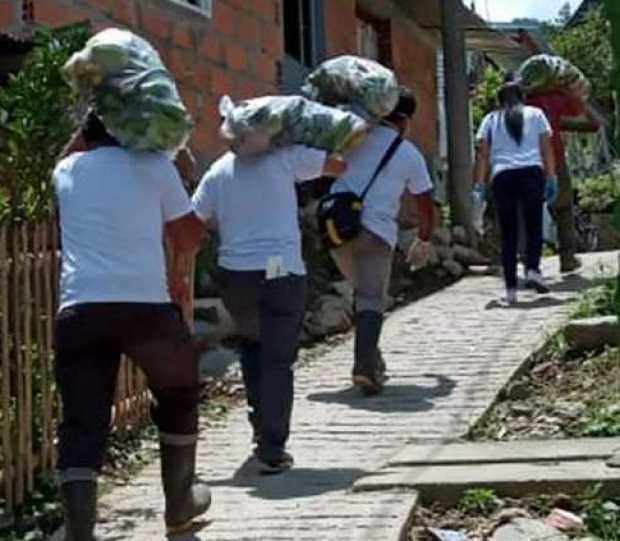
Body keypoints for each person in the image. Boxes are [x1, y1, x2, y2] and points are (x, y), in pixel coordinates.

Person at [53, 113, 209, 539]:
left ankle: (80, 531)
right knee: (178, 394)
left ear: (87, 133)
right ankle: (180, 504)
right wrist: (180, 177)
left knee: (82, 421)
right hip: (146, 309)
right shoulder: (155, 166)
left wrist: (86, 127)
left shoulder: (66, 169)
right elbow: (188, 238)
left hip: (81, 310)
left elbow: (69, 154)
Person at [192, 144, 346, 473]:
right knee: (277, 358)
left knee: (251, 344)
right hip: (281, 272)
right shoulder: (285, 158)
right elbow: (338, 166)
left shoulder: (218, 170)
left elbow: (194, 221)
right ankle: (272, 448)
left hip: (236, 276)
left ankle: (261, 425)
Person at [328, 86, 435, 396]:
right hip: (374, 233)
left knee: (362, 293)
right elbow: (424, 204)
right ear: (404, 121)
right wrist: (423, 239)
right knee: (372, 298)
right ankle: (364, 368)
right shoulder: (408, 153)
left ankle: (373, 361)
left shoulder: (351, 139)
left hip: (335, 229)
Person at [474, 82, 557, 305]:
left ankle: (511, 291)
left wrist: (480, 185)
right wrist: (551, 177)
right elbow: (546, 148)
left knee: (508, 234)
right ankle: (533, 269)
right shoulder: (536, 114)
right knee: (534, 226)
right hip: (532, 173)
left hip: (503, 176)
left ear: (499, 100)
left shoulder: (490, 120)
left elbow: (483, 154)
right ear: (522, 97)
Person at [525, 89, 599, 272]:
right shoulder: (556, 99)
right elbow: (592, 123)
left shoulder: (521, 101)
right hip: (554, 159)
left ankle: (529, 263)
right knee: (564, 209)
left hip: (523, 162)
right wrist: (577, 96)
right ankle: (567, 258)